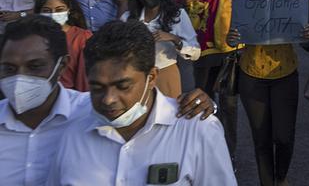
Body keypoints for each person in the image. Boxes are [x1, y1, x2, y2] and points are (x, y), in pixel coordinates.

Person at [0, 15, 215, 186]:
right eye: (9, 68)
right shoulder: (81, 124)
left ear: (62, 66)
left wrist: (204, 107)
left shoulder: (84, 113)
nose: (109, 99)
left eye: (35, 66)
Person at [47, 20, 235, 185]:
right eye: (97, 87)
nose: (108, 99)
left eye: (123, 86)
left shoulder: (196, 130)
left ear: (151, 77)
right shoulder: (70, 129)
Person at [228, 0, 309, 186]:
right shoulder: (246, 1)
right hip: (252, 74)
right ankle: (267, 181)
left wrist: (307, 34)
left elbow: (305, 41)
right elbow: (232, 39)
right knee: (261, 138)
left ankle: (281, 176)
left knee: (283, 136)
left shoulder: (293, 1)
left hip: (285, 74)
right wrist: (232, 38)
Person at [177, 0, 248, 161]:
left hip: (229, 55)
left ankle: (229, 154)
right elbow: (171, 15)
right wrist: (184, 1)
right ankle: (203, 152)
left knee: (228, 106)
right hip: (201, 56)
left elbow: (255, 14)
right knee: (201, 103)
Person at [125, 0, 200, 98]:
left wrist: (173, 38)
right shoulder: (128, 18)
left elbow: (195, 52)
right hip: (137, 75)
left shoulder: (177, 15)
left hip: (165, 72)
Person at [35, 0, 91, 91]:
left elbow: (83, 78)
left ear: (69, 10)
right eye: (47, 11)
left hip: (70, 96)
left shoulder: (82, 37)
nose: (53, 14)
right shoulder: (33, 37)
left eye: (59, 10)